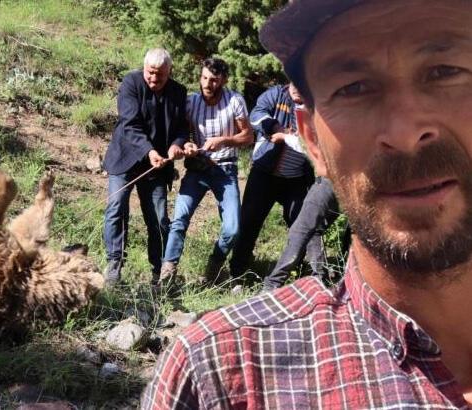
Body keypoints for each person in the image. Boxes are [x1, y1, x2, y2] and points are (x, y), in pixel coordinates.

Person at [143, 0, 472, 408]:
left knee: (299, 227)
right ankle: (228, 272)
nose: (405, 132)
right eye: (353, 88)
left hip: (286, 176)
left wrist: (232, 140)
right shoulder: (222, 380)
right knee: (245, 225)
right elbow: (258, 125)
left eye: (445, 72)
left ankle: (289, 273)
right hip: (257, 174)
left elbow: (247, 132)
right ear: (313, 139)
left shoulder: (237, 103)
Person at [158, 57, 253, 286]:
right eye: (204, 78)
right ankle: (167, 274)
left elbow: (248, 136)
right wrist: (188, 145)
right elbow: (184, 134)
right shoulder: (191, 102)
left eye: (214, 80)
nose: (208, 84)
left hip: (225, 169)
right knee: (179, 218)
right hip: (197, 168)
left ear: (224, 81)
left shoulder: (235, 101)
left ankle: (213, 268)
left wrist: (224, 140)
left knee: (232, 227)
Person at [102, 48, 189, 287]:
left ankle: (159, 271)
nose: (154, 79)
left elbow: (183, 128)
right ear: (144, 68)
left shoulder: (179, 92)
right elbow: (129, 124)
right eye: (150, 73)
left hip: (157, 165)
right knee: (116, 208)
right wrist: (149, 151)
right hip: (125, 159)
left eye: (160, 75)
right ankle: (114, 265)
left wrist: (175, 146)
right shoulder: (130, 83)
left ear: (169, 72)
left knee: (159, 218)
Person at [228, 83, 323, 281]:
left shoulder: (317, 103)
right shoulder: (275, 95)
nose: (297, 87)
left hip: (296, 179)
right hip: (264, 174)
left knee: (306, 225)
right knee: (249, 222)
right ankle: (238, 273)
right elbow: (257, 113)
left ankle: (314, 274)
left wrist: (294, 137)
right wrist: (274, 127)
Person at [262, 176, 341, 291]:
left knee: (300, 231)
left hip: (332, 180)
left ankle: (272, 285)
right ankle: (319, 280)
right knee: (315, 230)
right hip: (352, 188)